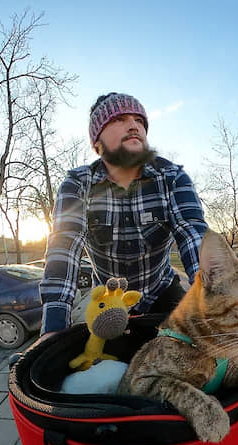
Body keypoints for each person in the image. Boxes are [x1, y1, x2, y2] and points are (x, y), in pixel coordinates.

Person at [39, 92, 207, 340]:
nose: (133, 126)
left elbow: (193, 234)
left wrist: (215, 300)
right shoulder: (77, 184)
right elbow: (64, 246)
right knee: (93, 368)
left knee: (198, 351)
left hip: (161, 291)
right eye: (119, 120)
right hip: (107, 299)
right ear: (98, 142)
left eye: (139, 121)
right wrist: (53, 326)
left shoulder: (172, 178)